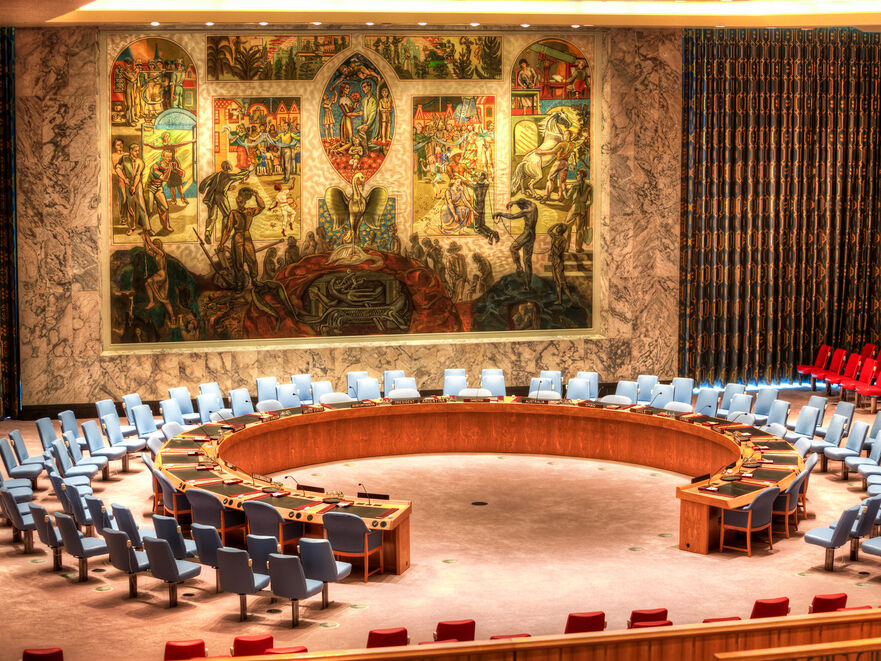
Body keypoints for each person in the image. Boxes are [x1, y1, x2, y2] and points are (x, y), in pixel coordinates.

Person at [219, 187, 264, 291]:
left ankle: (254, 281)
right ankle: (239, 284)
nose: (239, 204)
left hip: (247, 237)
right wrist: (221, 243)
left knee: (252, 260)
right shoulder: (233, 213)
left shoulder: (250, 211)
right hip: (237, 238)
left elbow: (262, 206)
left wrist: (256, 195)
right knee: (238, 262)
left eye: (241, 202)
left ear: (245, 202)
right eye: (238, 202)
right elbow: (228, 229)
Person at [199, 161, 252, 243]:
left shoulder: (218, 174)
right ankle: (224, 234)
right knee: (227, 215)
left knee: (211, 216)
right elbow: (239, 176)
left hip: (212, 197)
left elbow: (218, 184)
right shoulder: (229, 176)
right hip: (221, 196)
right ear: (229, 167)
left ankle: (207, 233)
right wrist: (248, 170)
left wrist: (228, 188)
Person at [494, 198, 538, 289]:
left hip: (527, 233)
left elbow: (512, 216)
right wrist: (514, 202)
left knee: (513, 248)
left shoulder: (526, 211)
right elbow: (524, 201)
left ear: (523, 206)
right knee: (527, 261)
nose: (520, 209)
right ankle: (527, 285)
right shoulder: (533, 205)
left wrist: (500, 213)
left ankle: (519, 268)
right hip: (532, 234)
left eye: (520, 207)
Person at [115, 142, 149, 235]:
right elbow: (117, 168)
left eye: (138, 151)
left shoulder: (140, 162)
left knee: (141, 205)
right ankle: (131, 227)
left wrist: (134, 186)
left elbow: (138, 175)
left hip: (137, 185)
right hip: (128, 184)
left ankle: (146, 228)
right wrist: (124, 179)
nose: (137, 152)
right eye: (135, 151)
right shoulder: (124, 158)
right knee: (130, 207)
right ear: (130, 151)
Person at [142, 231, 175, 321]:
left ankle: (152, 302)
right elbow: (148, 250)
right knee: (164, 298)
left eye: (156, 244)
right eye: (154, 243)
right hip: (159, 274)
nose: (155, 245)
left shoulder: (161, 253)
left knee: (149, 281)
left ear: (160, 245)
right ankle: (172, 316)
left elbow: (151, 246)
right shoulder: (155, 254)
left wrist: (148, 240)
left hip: (162, 275)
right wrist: (144, 241)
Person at [541, 129, 575, 201]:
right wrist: (573, 163)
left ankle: (546, 196)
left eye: (565, 134)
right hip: (565, 163)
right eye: (564, 134)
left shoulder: (561, 144)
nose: (564, 136)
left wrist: (541, 152)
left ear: (569, 136)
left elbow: (552, 151)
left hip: (558, 162)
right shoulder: (572, 144)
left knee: (550, 178)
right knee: (562, 181)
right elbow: (573, 153)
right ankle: (561, 197)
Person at [564, 168, 593, 252]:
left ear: (581, 175)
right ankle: (578, 248)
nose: (576, 176)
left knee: (567, 227)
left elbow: (567, 196)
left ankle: (566, 247)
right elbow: (590, 201)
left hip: (574, 208)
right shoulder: (589, 187)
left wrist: (564, 190)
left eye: (577, 174)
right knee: (579, 229)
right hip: (582, 209)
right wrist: (585, 206)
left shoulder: (574, 186)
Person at [471, 172, 499, 244]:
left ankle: (489, 235)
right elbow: (486, 182)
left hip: (476, 208)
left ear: (482, 177)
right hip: (482, 207)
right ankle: (494, 233)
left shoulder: (475, 185)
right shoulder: (486, 185)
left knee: (477, 229)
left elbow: (467, 182)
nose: (477, 176)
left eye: (479, 175)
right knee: (482, 225)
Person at [548, 222, 572, 304]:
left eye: (558, 227)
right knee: (557, 282)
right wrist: (555, 224)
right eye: (557, 227)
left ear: (561, 230)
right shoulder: (555, 236)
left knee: (562, 283)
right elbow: (549, 231)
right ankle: (560, 300)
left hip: (558, 262)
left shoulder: (563, 240)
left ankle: (572, 301)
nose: (557, 228)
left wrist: (553, 246)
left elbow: (559, 253)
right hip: (554, 261)